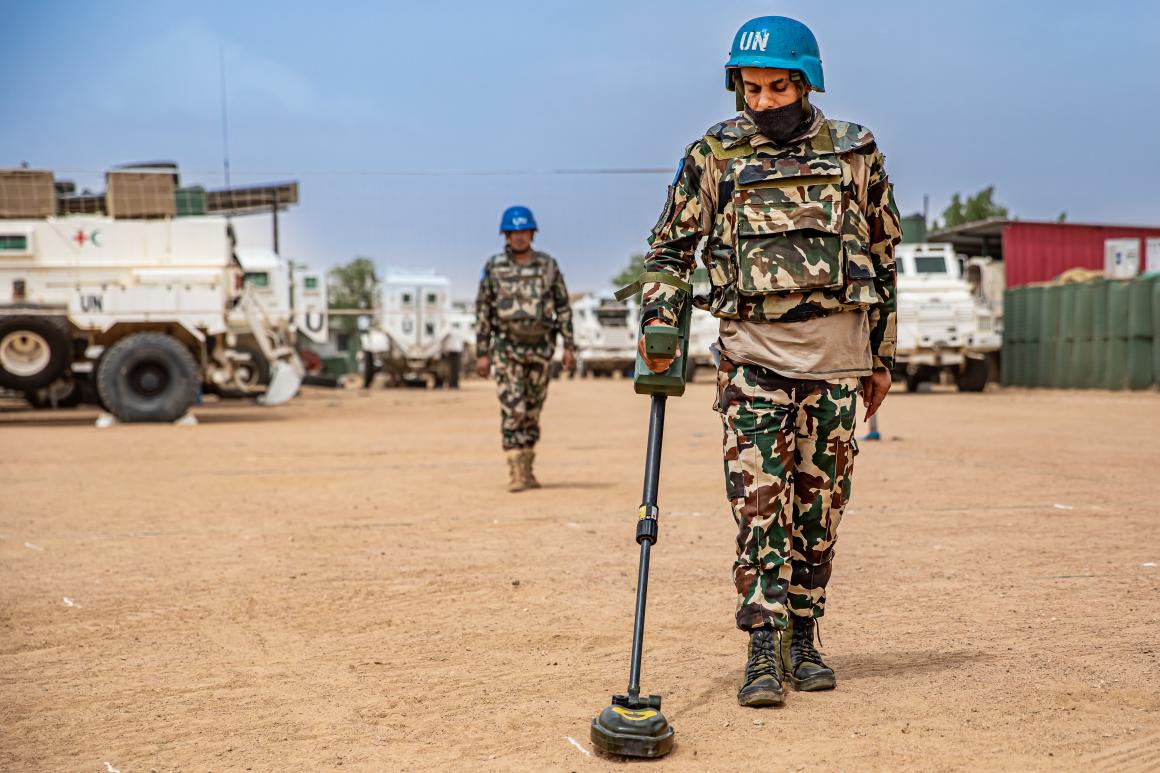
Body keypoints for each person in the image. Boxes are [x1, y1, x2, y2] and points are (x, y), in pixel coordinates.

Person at [636, 16, 901, 707]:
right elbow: (669, 252)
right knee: (760, 509)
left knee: (819, 510)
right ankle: (762, 641)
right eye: (750, 89)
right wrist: (659, 325)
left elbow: (883, 257)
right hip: (752, 357)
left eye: (777, 88)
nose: (762, 102)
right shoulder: (713, 155)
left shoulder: (855, 152)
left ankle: (804, 636)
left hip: (837, 362)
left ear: (807, 83)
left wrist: (882, 355)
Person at [475, 206, 576, 492]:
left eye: (524, 231)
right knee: (513, 407)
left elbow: (563, 307)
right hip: (507, 348)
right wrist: (482, 352)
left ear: (532, 234)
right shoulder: (494, 267)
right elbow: (483, 311)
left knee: (533, 407)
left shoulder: (548, 265)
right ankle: (515, 468)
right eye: (514, 232)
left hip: (541, 347)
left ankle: (528, 464)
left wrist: (569, 346)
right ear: (506, 235)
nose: (519, 236)